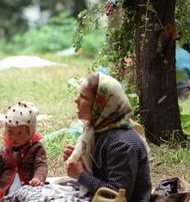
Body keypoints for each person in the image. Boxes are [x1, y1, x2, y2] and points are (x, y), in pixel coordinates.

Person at [64, 73, 151, 202]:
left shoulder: (122, 143)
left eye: (83, 97)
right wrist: (80, 162)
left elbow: (118, 197)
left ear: (100, 105)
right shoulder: (97, 130)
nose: (76, 100)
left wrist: (81, 175)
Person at [0, 101, 47, 200]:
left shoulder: (36, 148)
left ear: (30, 132)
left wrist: (38, 178)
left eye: (19, 133)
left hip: (27, 192)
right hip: (4, 194)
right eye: (10, 132)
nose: (14, 137)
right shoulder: (5, 149)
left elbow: (41, 165)